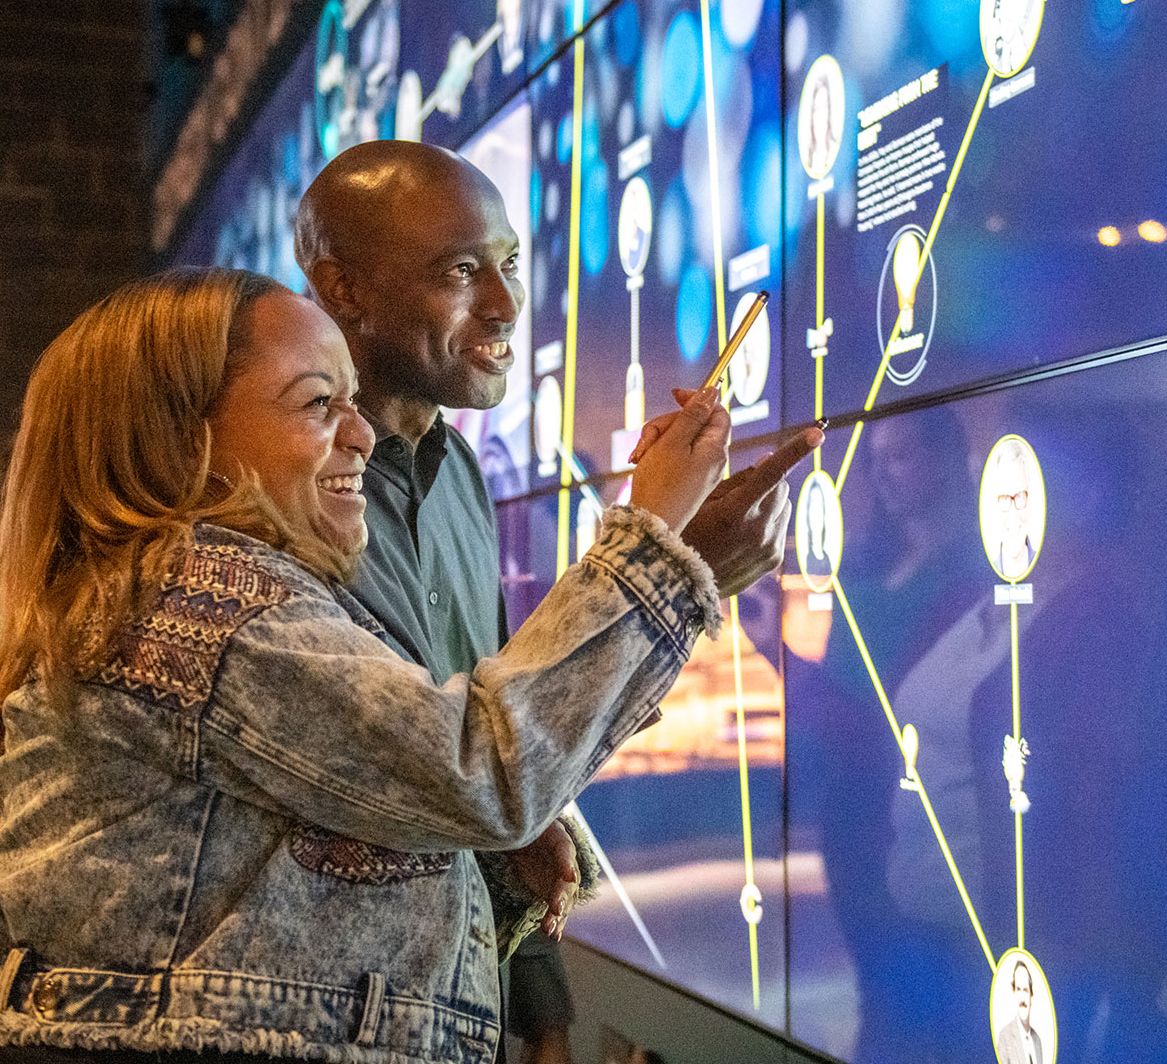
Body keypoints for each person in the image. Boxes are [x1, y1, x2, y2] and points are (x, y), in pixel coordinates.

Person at [0, 268, 819, 1063]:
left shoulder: (178, 593)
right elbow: (487, 769)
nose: (360, 433)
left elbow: (273, 876)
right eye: (319, 404)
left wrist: (476, 861)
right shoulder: (192, 595)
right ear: (179, 439)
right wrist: (656, 535)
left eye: (351, 401)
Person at [292, 140, 817, 1063]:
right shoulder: (278, 492)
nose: (504, 304)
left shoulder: (455, 474)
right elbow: (463, 766)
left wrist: (537, 1001)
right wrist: (665, 554)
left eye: (508, 264)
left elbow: (509, 730)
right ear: (343, 290)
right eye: (461, 272)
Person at [995, 960, 1043, 1064]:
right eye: (1018, 989)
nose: (1022, 997)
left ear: (1031, 996)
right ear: (1014, 994)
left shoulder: (1037, 1040)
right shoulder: (1005, 1037)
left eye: (1025, 990)